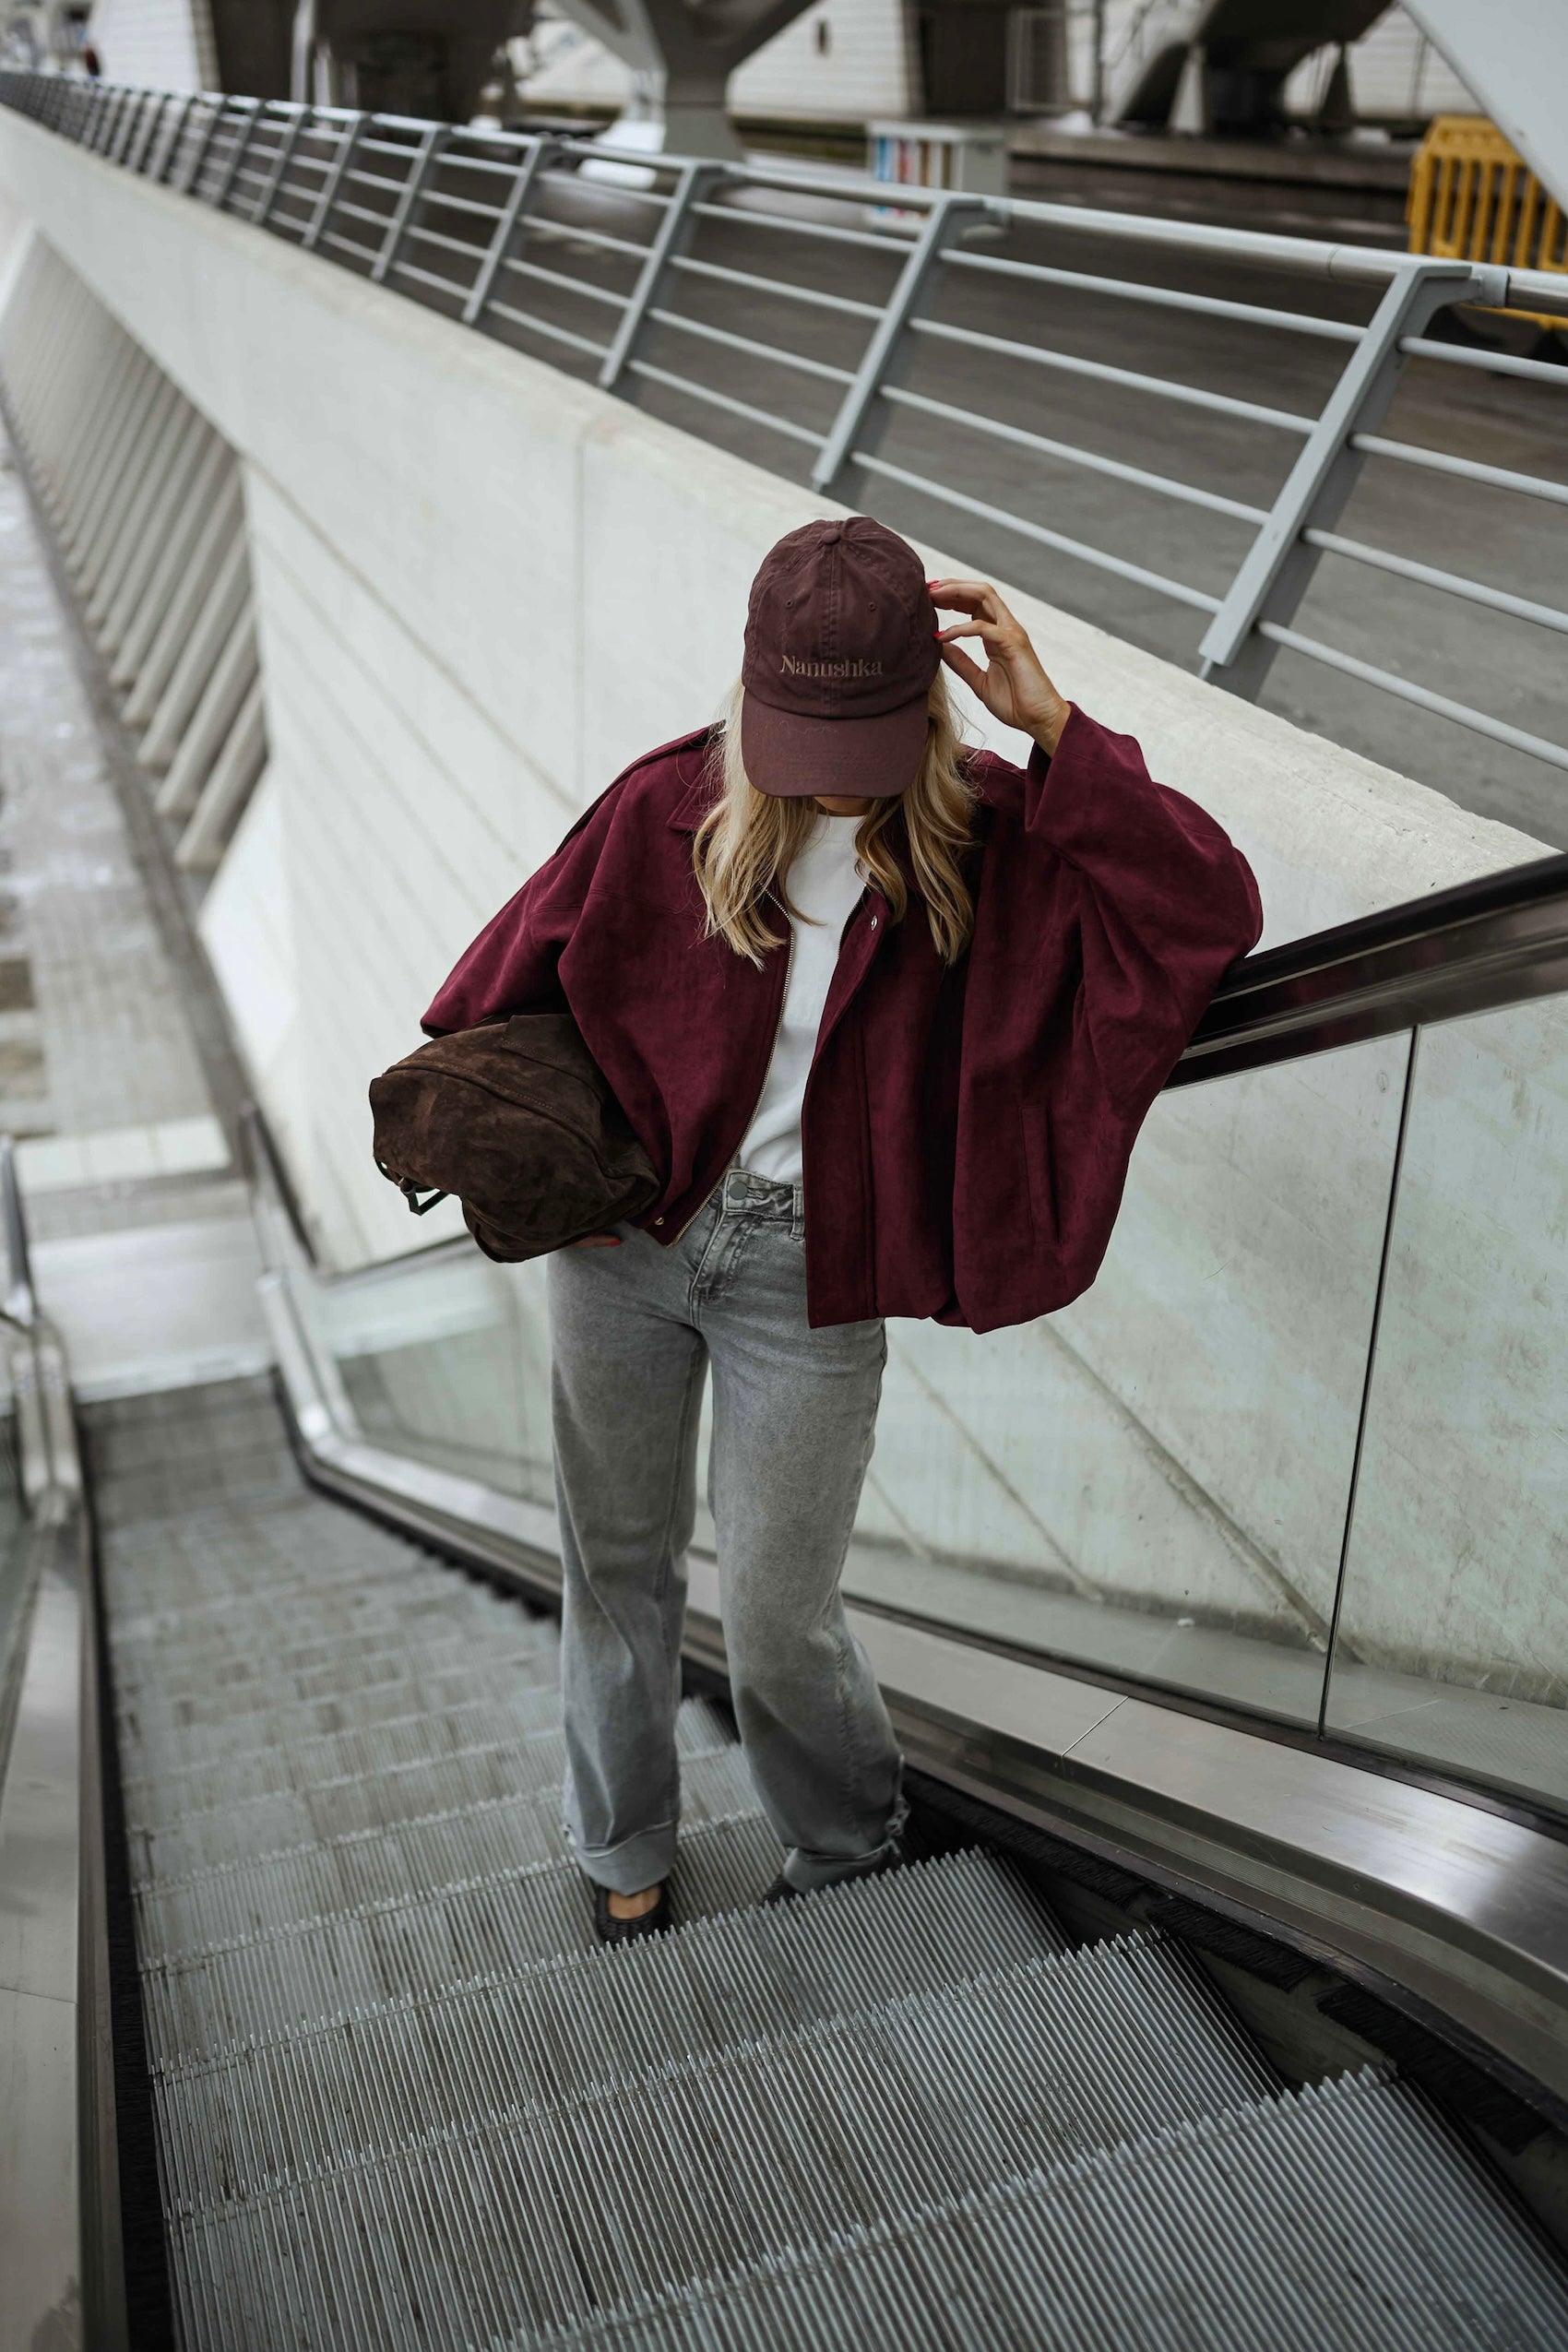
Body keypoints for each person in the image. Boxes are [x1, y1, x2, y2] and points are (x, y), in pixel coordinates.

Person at [424, 517, 1261, 1942]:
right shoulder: (666, 808)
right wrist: (534, 1162)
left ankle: (849, 1841)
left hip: (807, 1275)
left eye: (854, 739)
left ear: (921, 705)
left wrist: (1058, 727)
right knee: (614, 1560)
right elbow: (491, 994)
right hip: (627, 1249)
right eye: (798, 734)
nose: (818, 777)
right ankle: (622, 1832)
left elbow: (1208, 908)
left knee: (776, 1611)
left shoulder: (986, 835)